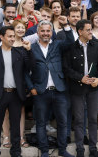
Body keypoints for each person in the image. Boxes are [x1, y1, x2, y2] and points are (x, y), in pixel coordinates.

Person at [24, 17, 75, 157]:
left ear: (52, 32)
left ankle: (63, 149)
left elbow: (70, 41)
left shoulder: (57, 45)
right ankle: (44, 151)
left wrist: (66, 25)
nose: (46, 33)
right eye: (43, 31)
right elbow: (25, 70)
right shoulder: (31, 48)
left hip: (59, 90)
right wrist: (31, 87)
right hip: (40, 91)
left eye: (48, 31)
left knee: (63, 122)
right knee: (41, 123)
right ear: (38, 32)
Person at [0, 26, 32, 157]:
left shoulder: (19, 52)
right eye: (9, 36)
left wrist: (29, 51)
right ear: (1, 37)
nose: (12, 38)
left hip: (16, 94)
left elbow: (30, 67)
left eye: (13, 36)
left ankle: (16, 152)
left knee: (16, 126)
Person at [62, 19, 98, 157]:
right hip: (77, 88)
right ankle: (79, 148)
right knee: (79, 119)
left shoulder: (97, 46)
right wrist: (80, 77)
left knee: (92, 118)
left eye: (91, 29)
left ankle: (93, 148)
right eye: (88, 30)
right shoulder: (70, 47)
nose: (90, 32)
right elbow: (66, 68)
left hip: (93, 88)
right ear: (80, 31)